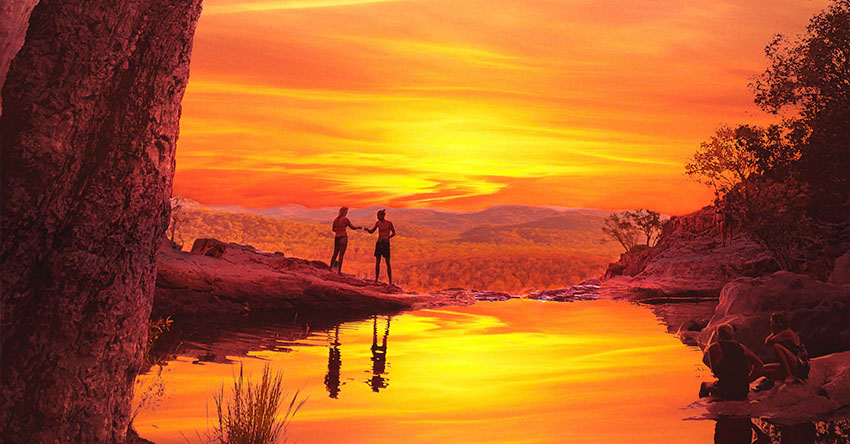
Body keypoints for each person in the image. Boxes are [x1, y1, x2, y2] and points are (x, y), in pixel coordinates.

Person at [700, 324, 764, 400]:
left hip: (727, 390)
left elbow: (715, 371)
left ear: (718, 334)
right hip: (743, 390)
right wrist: (748, 380)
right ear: (732, 334)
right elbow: (759, 364)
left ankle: (704, 402)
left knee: (704, 385)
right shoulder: (740, 347)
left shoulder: (714, 347)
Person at [761, 312, 810, 385]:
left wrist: (774, 332)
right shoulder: (783, 332)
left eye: (772, 323)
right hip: (794, 364)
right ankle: (787, 375)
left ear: (779, 324)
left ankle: (789, 375)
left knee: (776, 346)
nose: (770, 325)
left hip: (800, 366)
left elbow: (768, 342)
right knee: (762, 369)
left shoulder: (787, 333)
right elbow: (767, 342)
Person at [365, 209, 396, 285]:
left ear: (383, 216)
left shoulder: (389, 223)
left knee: (387, 263)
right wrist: (367, 230)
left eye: (378, 216)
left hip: (385, 244)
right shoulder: (378, 223)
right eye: (377, 216)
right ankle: (376, 279)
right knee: (377, 262)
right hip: (379, 243)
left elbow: (394, 233)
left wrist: (388, 237)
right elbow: (372, 231)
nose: (377, 217)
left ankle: (390, 282)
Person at [330, 207, 362, 274]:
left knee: (335, 253)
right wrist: (358, 227)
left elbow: (333, 229)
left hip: (337, 237)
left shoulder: (336, 219)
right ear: (345, 212)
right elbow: (352, 227)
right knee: (341, 255)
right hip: (343, 237)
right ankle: (339, 271)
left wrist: (338, 230)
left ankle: (330, 268)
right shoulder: (345, 219)